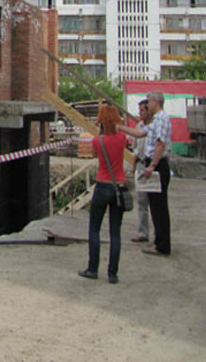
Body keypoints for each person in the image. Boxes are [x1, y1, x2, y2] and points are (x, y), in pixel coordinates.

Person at [79, 103, 127, 284]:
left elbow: (94, 154)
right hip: (119, 187)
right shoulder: (122, 138)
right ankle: (112, 273)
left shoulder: (97, 141)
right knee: (115, 231)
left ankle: (93, 268)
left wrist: (101, 132)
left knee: (94, 229)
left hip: (102, 185)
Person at [120, 91, 172, 256]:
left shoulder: (162, 119)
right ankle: (159, 242)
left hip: (157, 164)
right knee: (155, 206)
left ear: (156, 101)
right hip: (153, 163)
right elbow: (140, 133)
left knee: (159, 206)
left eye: (149, 101)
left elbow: (160, 144)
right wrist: (120, 127)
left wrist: (153, 165)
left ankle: (162, 245)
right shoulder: (156, 120)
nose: (147, 104)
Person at [130, 99, 152, 243]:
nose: (140, 113)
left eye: (142, 111)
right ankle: (143, 233)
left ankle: (160, 234)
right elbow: (136, 150)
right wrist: (133, 168)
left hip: (152, 166)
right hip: (141, 165)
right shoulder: (139, 126)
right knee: (142, 201)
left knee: (155, 202)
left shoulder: (155, 127)